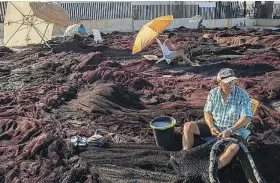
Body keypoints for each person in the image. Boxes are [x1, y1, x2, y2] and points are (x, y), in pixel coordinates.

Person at [182, 68, 253, 170]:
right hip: (215, 124)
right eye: (227, 82)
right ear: (219, 83)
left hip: (234, 129)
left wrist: (231, 130)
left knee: (234, 147)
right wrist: (211, 126)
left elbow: (246, 117)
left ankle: (212, 169)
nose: (231, 83)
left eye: (232, 80)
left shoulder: (242, 95)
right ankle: (186, 154)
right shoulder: (213, 93)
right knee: (188, 126)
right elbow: (207, 112)